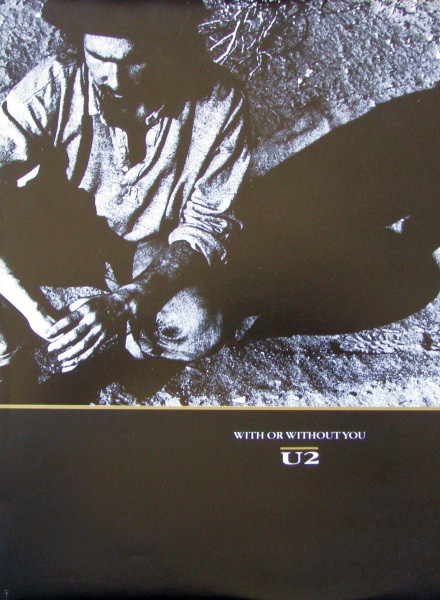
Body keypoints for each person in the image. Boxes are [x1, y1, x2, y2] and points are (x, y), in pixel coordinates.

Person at [0, 0, 251, 399]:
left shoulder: (220, 103)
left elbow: (205, 226)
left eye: (134, 60)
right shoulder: (52, 85)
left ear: (169, 48)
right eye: (98, 57)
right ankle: (14, 359)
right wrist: (35, 313)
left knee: (197, 323)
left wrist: (125, 301)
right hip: (54, 240)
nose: (114, 79)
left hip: (146, 249)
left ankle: (121, 358)